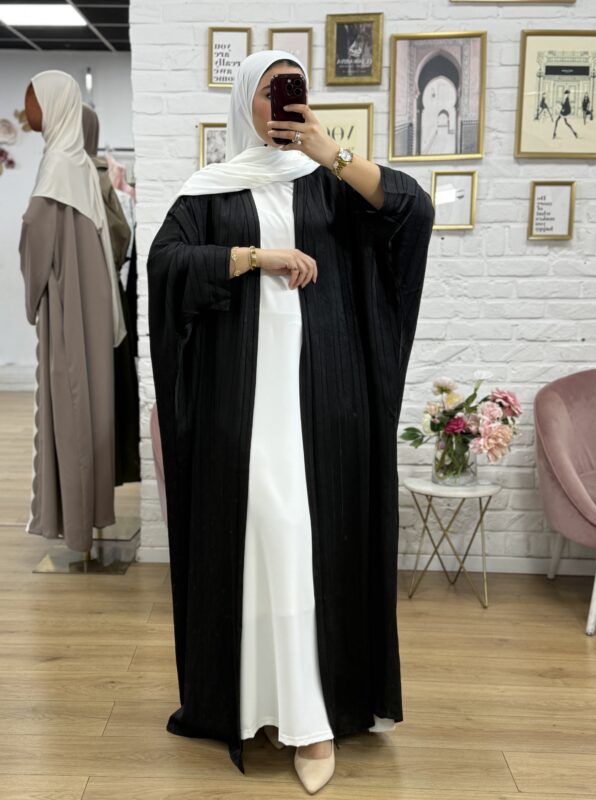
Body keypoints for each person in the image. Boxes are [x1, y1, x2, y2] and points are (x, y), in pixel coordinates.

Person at [147, 50, 434, 794]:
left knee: (311, 549)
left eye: (292, 89)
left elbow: (411, 211)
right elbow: (167, 264)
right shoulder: (212, 189)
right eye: (270, 91)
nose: (281, 102)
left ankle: (312, 719)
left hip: (326, 403)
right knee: (262, 544)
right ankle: (258, 703)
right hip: (241, 405)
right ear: (246, 100)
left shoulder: (330, 183)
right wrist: (255, 257)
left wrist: (328, 150)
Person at [19, 70, 126, 553]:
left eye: (34, 100)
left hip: (68, 305)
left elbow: (36, 243)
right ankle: (92, 515)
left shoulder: (56, 170)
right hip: (95, 304)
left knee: (71, 403)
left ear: (55, 106)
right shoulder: (82, 166)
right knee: (92, 405)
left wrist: (33, 295)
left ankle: (76, 528)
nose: (29, 110)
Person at [82, 103, 141, 486]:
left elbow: (120, 233)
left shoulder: (92, 175)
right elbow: (121, 232)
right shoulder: (98, 175)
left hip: (96, 294)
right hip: (106, 289)